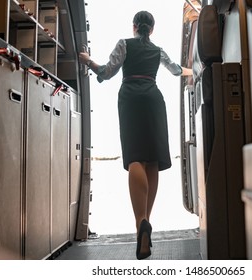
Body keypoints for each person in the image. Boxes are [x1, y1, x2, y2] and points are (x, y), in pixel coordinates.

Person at [79, 10, 192, 260]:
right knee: (152, 160)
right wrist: (193, 71)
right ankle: (146, 221)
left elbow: (107, 72)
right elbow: (175, 70)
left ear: (134, 27)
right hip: (153, 99)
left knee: (135, 159)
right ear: (151, 29)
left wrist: (87, 60)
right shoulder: (158, 50)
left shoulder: (124, 44)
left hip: (130, 99)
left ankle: (140, 221)